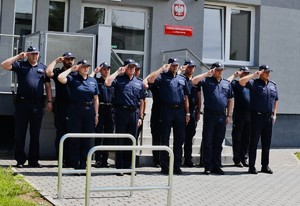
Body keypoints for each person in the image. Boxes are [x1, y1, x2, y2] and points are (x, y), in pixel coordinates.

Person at [0, 46, 52, 168]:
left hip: (37, 105)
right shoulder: (21, 65)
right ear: (28, 55)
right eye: (32, 54)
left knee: (35, 134)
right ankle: (20, 160)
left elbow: (48, 86)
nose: (35, 56)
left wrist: (49, 101)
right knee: (20, 133)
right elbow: (4, 65)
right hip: (22, 104)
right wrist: (18, 56)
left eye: (36, 54)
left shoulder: (42, 68)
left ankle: (34, 161)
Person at [147, 58, 190, 175]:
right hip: (166, 110)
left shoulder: (182, 79)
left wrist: (188, 112)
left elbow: (186, 97)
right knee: (164, 138)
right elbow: (150, 80)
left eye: (176, 65)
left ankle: (177, 166)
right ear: (169, 65)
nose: (175, 67)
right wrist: (162, 68)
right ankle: (165, 166)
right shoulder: (162, 76)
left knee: (179, 139)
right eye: (173, 65)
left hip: (180, 111)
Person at [105, 59, 147, 176]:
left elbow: (142, 100)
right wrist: (118, 72)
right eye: (130, 67)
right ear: (125, 68)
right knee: (121, 139)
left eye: (134, 67)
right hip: (121, 112)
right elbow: (107, 83)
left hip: (134, 113)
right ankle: (120, 167)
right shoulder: (118, 80)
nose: (132, 69)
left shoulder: (139, 82)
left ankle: (129, 166)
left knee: (131, 140)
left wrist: (141, 117)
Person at [192, 62, 233, 175]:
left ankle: (217, 165)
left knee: (218, 142)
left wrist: (229, 115)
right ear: (213, 70)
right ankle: (207, 166)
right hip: (210, 115)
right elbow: (194, 81)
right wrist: (207, 74)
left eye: (221, 69)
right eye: (218, 70)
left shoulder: (226, 83)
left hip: (221, 116)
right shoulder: (207, 81)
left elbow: (230, 100)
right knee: (208, 141)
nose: (220, 71)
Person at [58, 60, 99, 169]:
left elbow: (96, 98)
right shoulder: (73, 78)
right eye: (83, 66)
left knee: (86, 139)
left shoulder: (92, 80)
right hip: (75, 109)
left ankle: (83, 164)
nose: (86, 68)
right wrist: (71, 69)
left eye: (87, 67)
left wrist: (96, 114)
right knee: (75, 139)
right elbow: (60, 78)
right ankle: (74, 164)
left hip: (89, 110)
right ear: (79, 68)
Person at [239, 65, 278, 174]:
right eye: (266, 72)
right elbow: (241, 82)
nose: (268, 73)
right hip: (257, 116)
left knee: (267, 143)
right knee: (254, 142)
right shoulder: (254, 83)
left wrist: (274, 115)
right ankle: (251, 166)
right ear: (261, 73)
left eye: (269, 71)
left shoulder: (272, 85)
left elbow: (276, 100)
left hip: (268, 117)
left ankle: (265, 166)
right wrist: (253, 75)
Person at [46, 52, 76, 166]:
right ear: (63, 60)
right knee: (61, 133)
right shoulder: (58, 72)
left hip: (73, 107)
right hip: (61, 107)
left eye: (72, 59)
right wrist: (55, 60)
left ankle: (70, 160)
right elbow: (48, 73)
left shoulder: (75, 72)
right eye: (68, 59)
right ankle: (60, 159)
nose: (70, 61)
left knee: (72, 133)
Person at [89, 62, 114, 168]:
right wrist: (95, 72)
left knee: (108, 135)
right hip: (101, 109)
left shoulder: (113, 81)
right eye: (104, 69)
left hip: (111, 110)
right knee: (99, 135)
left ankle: (105, 159)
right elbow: (88, 80)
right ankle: (98, 159)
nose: (106, 71)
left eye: (108, 69)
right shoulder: (96, 81)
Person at [227, 67, 251, 168]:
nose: (246, 75)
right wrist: (235, 75)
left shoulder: (250, 84)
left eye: (247, 73)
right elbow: (226, 83)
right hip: (239, 114)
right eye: (244, 73)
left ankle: (244, 158)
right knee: (237, 137)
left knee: (246, 137)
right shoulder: (235, 84)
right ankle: (237, 159)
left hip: (249, 115)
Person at [181, 60, 201, 167]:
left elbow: (199, 96)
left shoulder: (196, 81)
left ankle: (188, 159)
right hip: (182, 112)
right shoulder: (181, 78)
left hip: (193, 112)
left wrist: (198, 111)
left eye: (192, 67)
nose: (191, 69)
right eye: (189, 67)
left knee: (190, 137)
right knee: (181, 136)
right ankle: (178, 159)